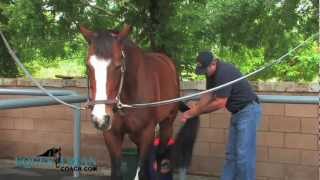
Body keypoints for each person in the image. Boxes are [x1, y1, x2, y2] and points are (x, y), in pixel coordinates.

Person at [180, 51, 262, 180]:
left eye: (205, 70)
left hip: (248, 112)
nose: (204, 73)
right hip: (237, 114)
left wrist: (195, 112)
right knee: (231, 156)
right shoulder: (211, 74)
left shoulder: (224, 72)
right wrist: (195, 109)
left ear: (213, 63)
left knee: (243, 157)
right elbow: (208, 95)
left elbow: (220, 102)